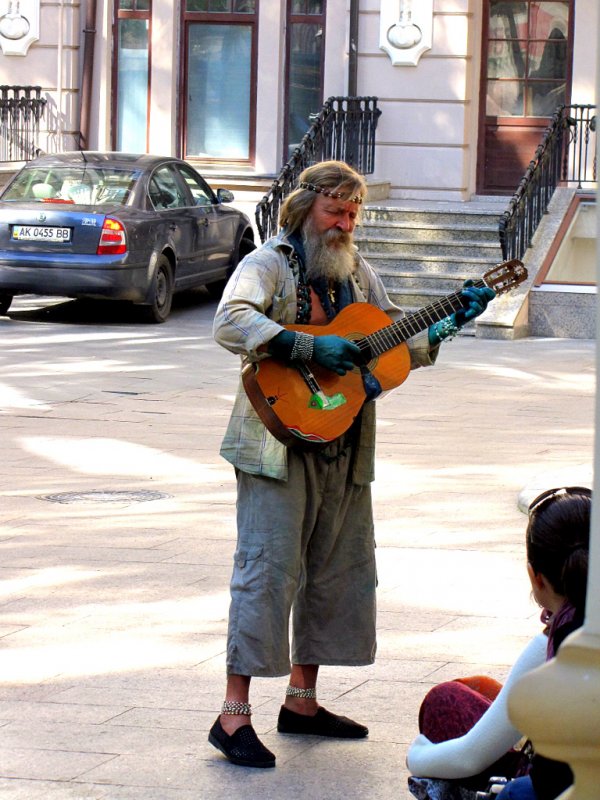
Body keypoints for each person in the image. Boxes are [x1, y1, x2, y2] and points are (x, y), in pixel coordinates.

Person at [209, 160, 495, 769]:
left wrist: (448, 320)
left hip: (342, 438)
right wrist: (304, 344)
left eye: (353, 213)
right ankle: (232, 716)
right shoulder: (267, 263)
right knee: (267, 571)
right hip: (275, 444)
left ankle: (302, 703)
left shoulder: (358, 273)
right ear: (305, 208)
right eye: (334, 211)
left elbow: (393, 340)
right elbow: (230, 321)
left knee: (333, 570)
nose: (345, 224)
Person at [406, 486, 591, 800]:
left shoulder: (565, 640)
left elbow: (471, 756)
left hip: (560, 785)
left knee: (446, 700)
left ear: (536, 577)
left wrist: (416, 756)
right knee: (478, 690)